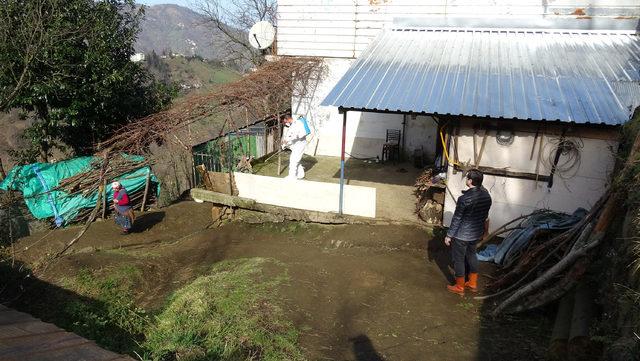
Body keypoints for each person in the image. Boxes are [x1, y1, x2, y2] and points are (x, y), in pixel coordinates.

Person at [445, 169, 492, 295]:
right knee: (472, 256)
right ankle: (472, 283)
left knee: (459, 260)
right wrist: (485, 231)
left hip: (462, 235)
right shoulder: (487, 197)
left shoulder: (463, 199)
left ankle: (459, 286)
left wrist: (449, 235)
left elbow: (457, 219)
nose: (466, 180)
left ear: (470, 181)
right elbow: (485, 216)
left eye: (467, 178)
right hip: (476, 234)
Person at [281, 115, 311, 180]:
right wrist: (285, 143)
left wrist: (288, 140)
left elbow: (298, 135)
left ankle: (292, 176)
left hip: (300, 145)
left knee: (293, 160)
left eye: (285, 121)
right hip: (296, 145)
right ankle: (300, 175)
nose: (285, 123)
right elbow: (291, 136)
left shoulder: (297, 123)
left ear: (287, 119)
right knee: (296, 160)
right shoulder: (292, 125)